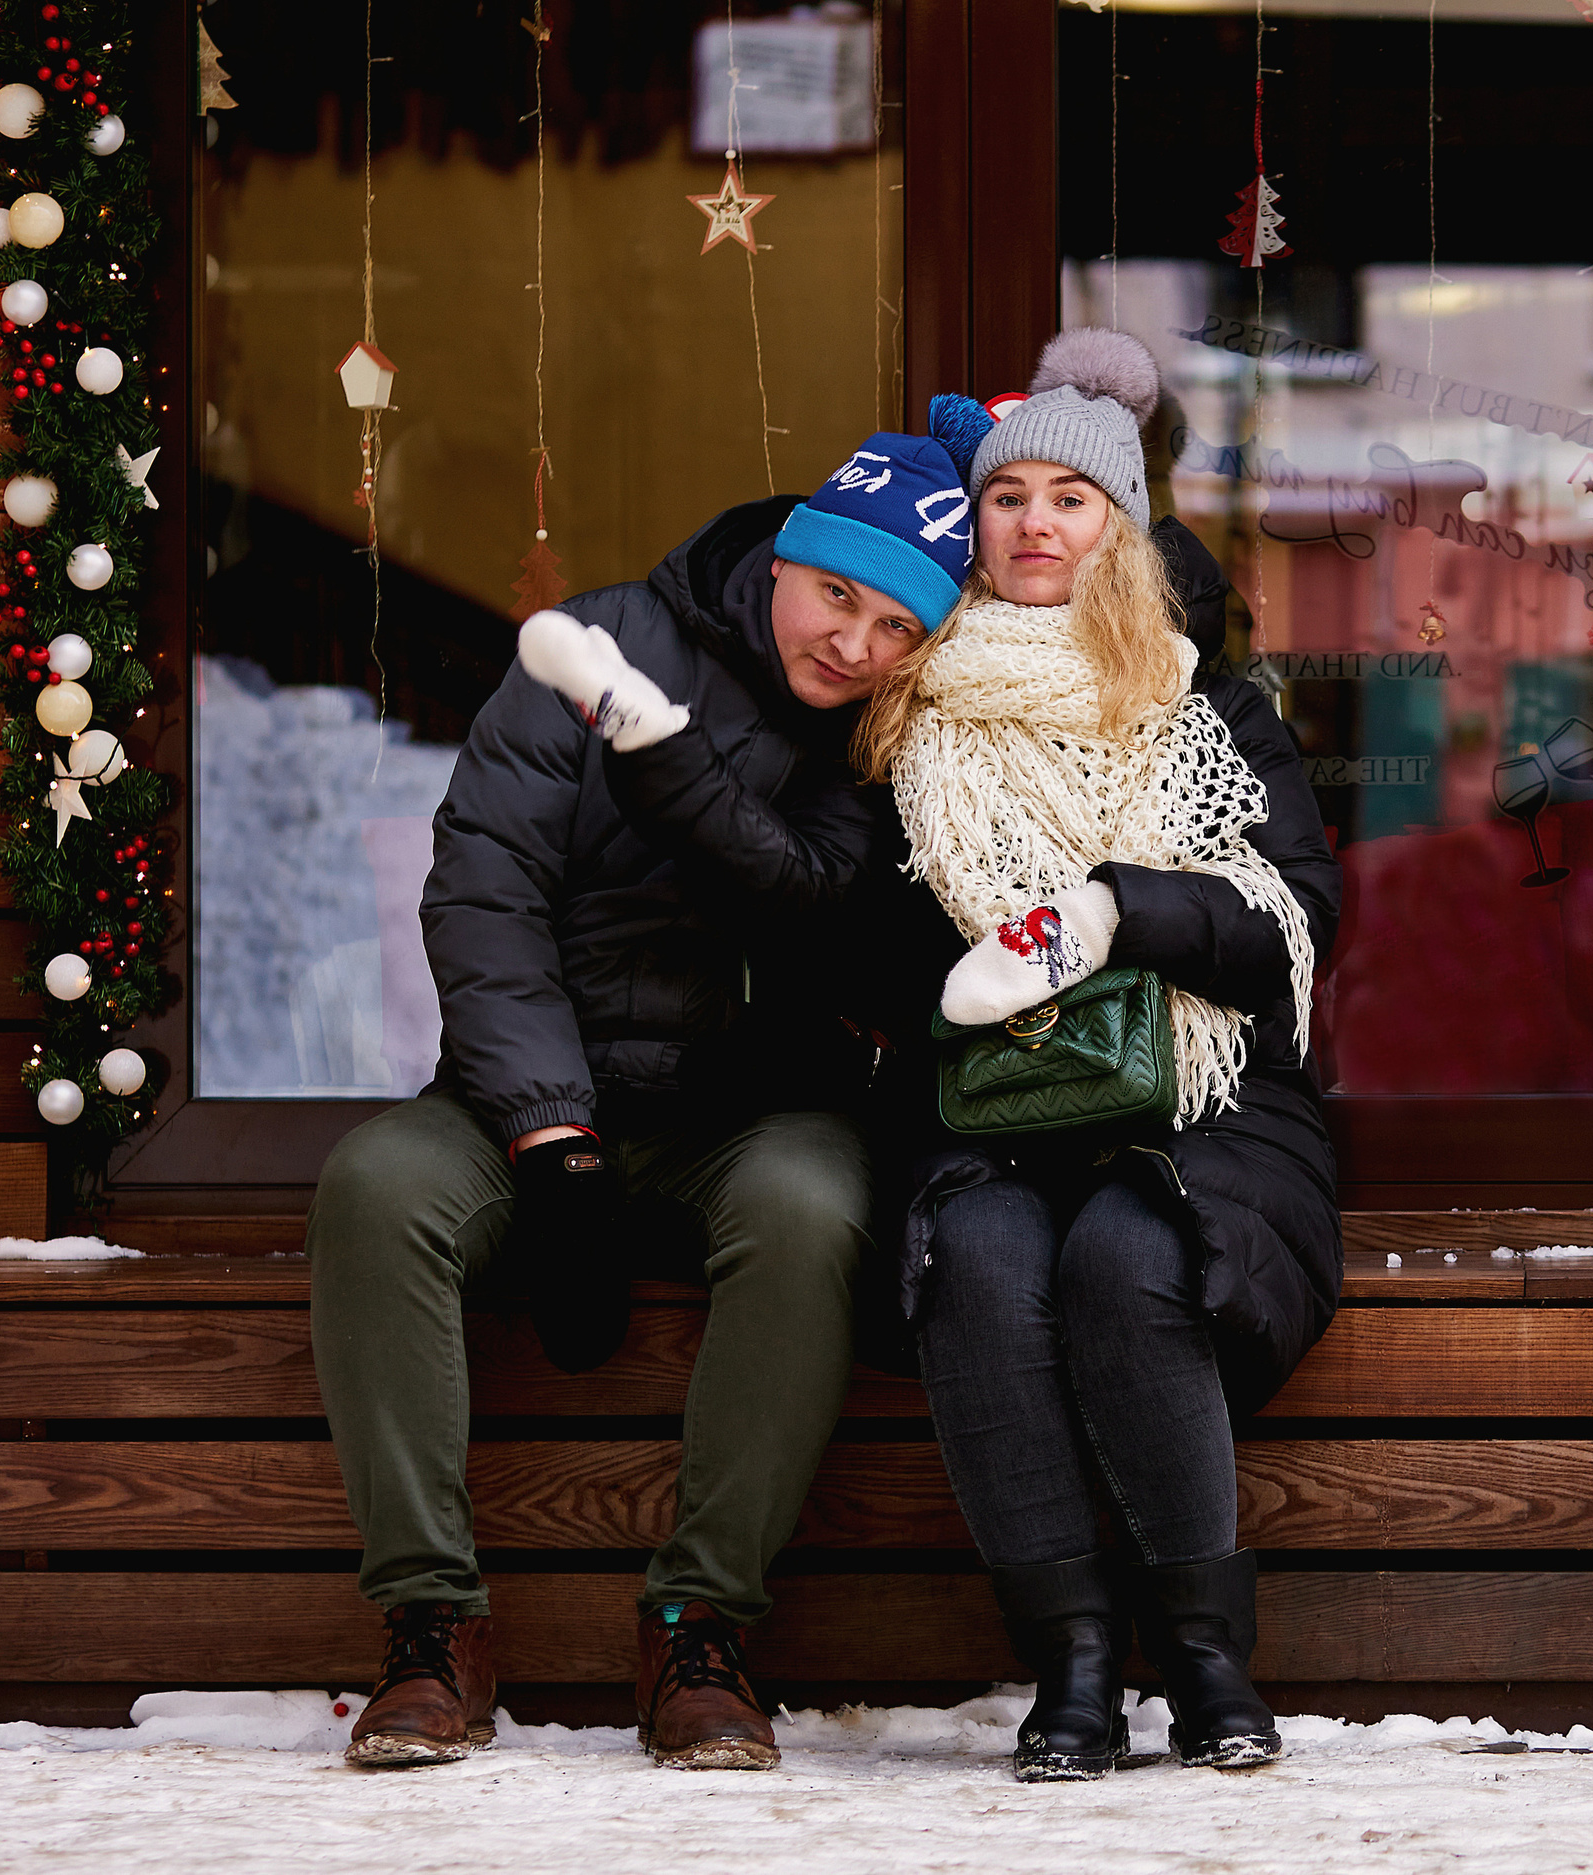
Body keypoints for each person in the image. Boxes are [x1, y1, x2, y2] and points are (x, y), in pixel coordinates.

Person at [305, 423, 976, 1773]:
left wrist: (670, 763)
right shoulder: (598, 646)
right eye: (837, 594)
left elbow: (813, 895)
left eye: (897, 624)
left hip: (744, 1110)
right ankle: (433, 1627)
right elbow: (485, 893)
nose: (853, 643)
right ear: (787, 559)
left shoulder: (892, 733)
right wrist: (551, 1138)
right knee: (375, 1188)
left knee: (811, 1206)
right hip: (540, 1092)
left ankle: (697, 1626)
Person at [853, 330, 1344, 1782]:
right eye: (1009, 498)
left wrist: (1123, 911)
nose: (1036, 524)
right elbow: (853, 942)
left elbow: (1296, 920)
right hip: (984, 1105)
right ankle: (1071, 1665)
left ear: (1118, 530)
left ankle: (1201, 1658)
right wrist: (971, 953)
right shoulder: (904, 715)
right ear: (975, 524)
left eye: (1072, 497)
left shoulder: (1208, 709)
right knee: (986, 1263)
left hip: (1209, 1108)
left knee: (1132, 1257)